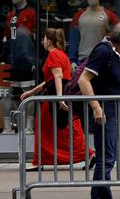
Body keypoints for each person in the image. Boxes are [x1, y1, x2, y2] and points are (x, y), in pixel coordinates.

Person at [77, 21, 120, 199]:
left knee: (106, 157)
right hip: (105, 112)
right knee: (106, 158)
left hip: (110, 110)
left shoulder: (113, 52)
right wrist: (96, 106)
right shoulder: (104, 52)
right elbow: (83, 80)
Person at [20, 28, 91, 169]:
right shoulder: (61, 54)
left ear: (49, 41)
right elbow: (51, 79)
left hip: (54, 96)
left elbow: (57, 77)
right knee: (57, 129)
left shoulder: (53, 55)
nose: (43, 42)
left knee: (55, 130)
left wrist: (59, 98)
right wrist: (32, 91)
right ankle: (41, 160)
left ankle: (86, 154)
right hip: (56, 94)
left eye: (45, 39)